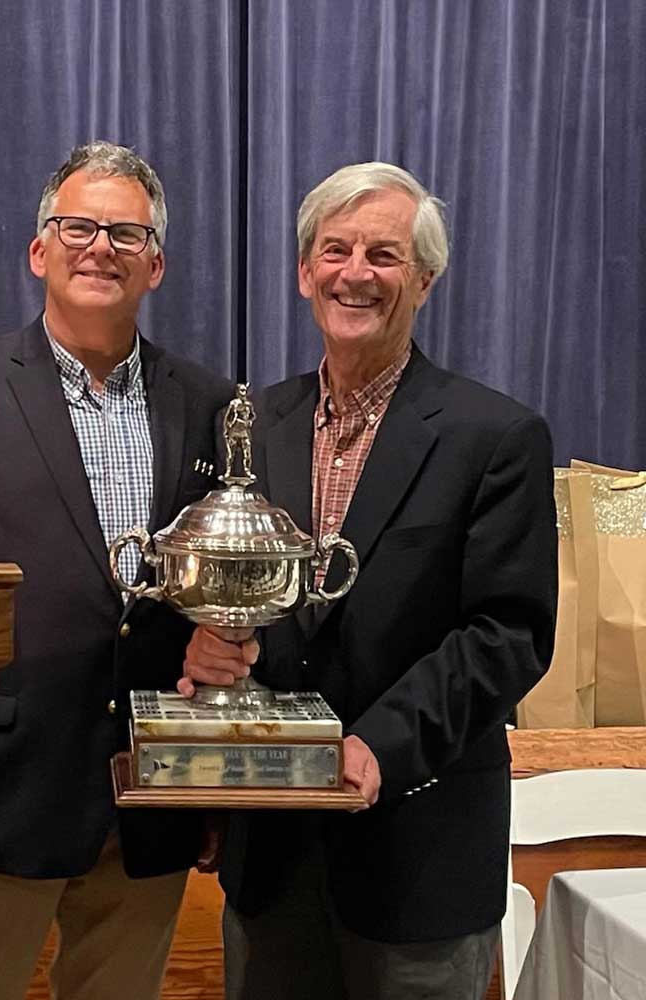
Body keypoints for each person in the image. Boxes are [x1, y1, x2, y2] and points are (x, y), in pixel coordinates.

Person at [180, 162, 558, 999]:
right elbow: (235, 602)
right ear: (306, 271)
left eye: (383, 255)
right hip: (270, 860)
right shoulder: (252, 424)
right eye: (336, 250)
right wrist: (207, 652)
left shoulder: (494, 435)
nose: (356, 273)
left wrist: (374, 745)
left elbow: (510, 635)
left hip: (418, 854)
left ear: (424, 278)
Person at [0, 141, 233, 1000]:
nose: (99, 246)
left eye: (125, 233)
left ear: (158, 265)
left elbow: (216, 591)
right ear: (41, 250)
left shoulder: (211, 404)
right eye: (78, 226)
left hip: (153, 796)